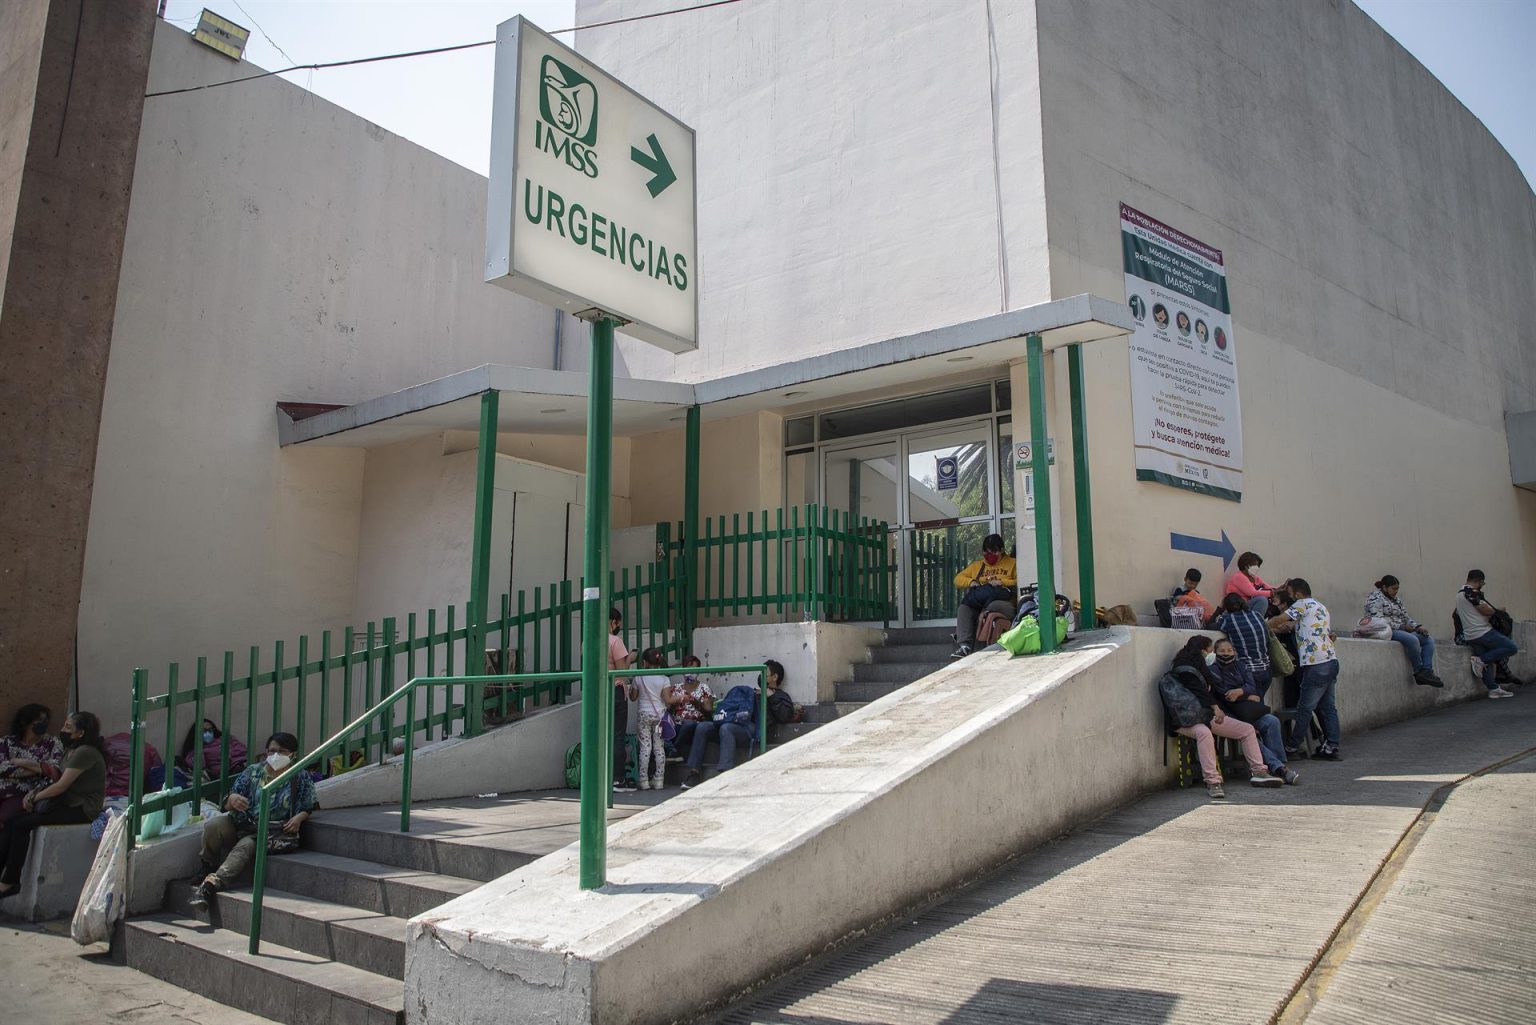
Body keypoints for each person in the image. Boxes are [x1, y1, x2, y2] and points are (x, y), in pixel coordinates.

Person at [189, 731, 318, 909]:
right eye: (271, 751)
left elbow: (309, 804)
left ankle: (211, 884)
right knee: (213, 826)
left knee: (244, 847)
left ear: (292, 754)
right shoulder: (253, 771)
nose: (275, 756)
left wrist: (299, 818)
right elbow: (228, 800)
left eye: (282, 751)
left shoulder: (299, 776)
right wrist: (233, 799)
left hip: (267, 830)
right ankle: (207, 864)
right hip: (242, 821)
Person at [0, 711, 107, 900]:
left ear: (80, 733)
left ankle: (10, 881)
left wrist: (34, 798)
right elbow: (55, 774)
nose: (62, 729)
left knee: (21, 824)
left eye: (68, 727)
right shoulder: (71, 750)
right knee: (11, 821)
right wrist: (33, 791)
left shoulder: (85, 752)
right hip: (65, 803)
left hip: (81, 808)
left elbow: (61, 785)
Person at [1163, 637, 1282, 798]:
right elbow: (1201, 693)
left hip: (1204, 716)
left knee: (1246, 730)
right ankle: (1212, 781)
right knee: (1203, 733)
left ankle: (1259, 771)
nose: (1211, 654)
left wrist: (1244, 694)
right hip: (1185, 719)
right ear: (1202, 650)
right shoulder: (1185, 670)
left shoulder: (1200, 669)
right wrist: (1216, 708)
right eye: (1210, 650)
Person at [1269, 578, 1342, 759]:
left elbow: (1280, 619)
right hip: (1330, 660)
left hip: (1315, 664)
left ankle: (1292, 747)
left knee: (1304, 708)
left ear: (1298, 594)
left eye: (1292, 593)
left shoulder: (1302, 604)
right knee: (1328, 707)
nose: (1291, 597)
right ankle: (1331, 746)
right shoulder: (1321, 606)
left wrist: (1259, 625)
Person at [1209, 638, 1298, 785]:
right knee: (1249, 733)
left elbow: (1253, 688)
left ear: (1235, 652)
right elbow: (1226, 694)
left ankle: (1279, 764)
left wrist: (1240, 691)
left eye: (1229, 650)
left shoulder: (1241, 667)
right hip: (1230, 715)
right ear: (1215, 652)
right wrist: (1246, 694)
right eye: (1222, 651)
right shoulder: (1213, 671)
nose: (1226, 654)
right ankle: (1280, 768)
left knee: (1271, 721)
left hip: (1249, 712)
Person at [680, 677, 760, 789]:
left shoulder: (765, 695)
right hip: (728, 723)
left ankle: (725, 773)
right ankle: (694, 772)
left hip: (746, 729)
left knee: (726, 728)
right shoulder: (737, 695)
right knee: (703, 726)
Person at [1363, 575, 1443, 687]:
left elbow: (1406, 617)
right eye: (1393, 589)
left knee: (1428, 640)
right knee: (1412, 639)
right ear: (1385, 587)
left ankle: (1427, 671)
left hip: (1401, 628)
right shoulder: (1374, 599)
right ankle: (1418, 670)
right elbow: (1379, 620)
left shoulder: (1396, 600)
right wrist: (1402, 627)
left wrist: (1417, 627)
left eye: (1397, 589)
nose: (1396, 591)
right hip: (1384, 630)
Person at [951, 533, 1018, 658]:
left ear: (1002, 550)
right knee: (964, 609)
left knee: (993, 606)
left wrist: (1002, 582)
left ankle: (986, 637)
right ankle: (964, 646)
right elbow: (957, 579)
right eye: (986, 553)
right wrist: (971, 582)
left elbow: (1020, 580)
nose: (990, 556)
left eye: (994, 552)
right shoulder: (978, 566)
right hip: (982, 601)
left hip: (1004, 602)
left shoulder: (1012, 563)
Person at [1454, 570, 1519, 698]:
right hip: (1482, 631)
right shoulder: (1470, 592)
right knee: (1511, 647)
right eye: (1482, 583)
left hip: (1470, 634)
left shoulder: (1459, 595)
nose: (1482, 586)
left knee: (1486, 662)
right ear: (1478, 581)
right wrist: (1491, 609)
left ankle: (1493, 688)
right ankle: (1480, 660)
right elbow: (1487, 611)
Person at [0, 704, 63, 826]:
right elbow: (2, 768)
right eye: (39, 720)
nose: (43, 723)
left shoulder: (52, 743)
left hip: (24, 792)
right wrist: (40, 768)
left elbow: (53, 772)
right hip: (2, 787)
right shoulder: (7, 742)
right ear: (26, 722)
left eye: (45, 720)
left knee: (5, 818)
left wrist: (22, 762)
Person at [629, 648, 676, 792]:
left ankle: (643, 780)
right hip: (660, 716)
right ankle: (659, 779)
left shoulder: (639, 677)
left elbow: (633, 698)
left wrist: (632, 686)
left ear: (644, 662)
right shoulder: (664, 679)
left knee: (645, 747)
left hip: (644, 715)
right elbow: (668, 700)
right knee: (659, 747)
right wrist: (680, 698)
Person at [608, 607, 639, 792]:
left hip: (597, 691)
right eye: (618, 622)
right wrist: (631, 658)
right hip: (616, 690)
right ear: (614, 621)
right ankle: (617, 779)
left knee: (601, 735)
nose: (619, 626)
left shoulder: (587, 640)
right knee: (617, 736)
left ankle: (599, 778)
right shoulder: (616, 642)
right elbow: (622, 671)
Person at [1214, 592, 1270, 681]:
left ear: (1227, 607)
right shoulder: (1257, 615)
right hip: (1266, 669)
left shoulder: (1228, 619)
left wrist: (1220, 610)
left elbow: (1212, 627)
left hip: (1247, 671)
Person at [176, 717, 248, 783]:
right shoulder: (197, 750)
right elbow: (198, 765)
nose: (207, 733)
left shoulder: (225, 739)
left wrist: (229, 752)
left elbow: (243, 750)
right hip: (224, 774)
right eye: (204, 731)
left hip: (240, 766)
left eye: (210, 730)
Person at [669, 654, 714, 756]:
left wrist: (696, 702)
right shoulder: (676, 688)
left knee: (690, 723)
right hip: (678, 726)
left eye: (694, 669)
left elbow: (709, 710)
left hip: (696, 727)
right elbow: (669, 709)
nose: (691, 672)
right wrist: (676, 702)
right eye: (688, 668)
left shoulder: (704, 688)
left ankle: (675, 749)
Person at [764, 659, 802, 738]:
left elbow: (785, 716)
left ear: (774, 677)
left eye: (765, 674)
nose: (762, 677)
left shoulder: (780, 695)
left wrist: (772, 697)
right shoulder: (754, 692)